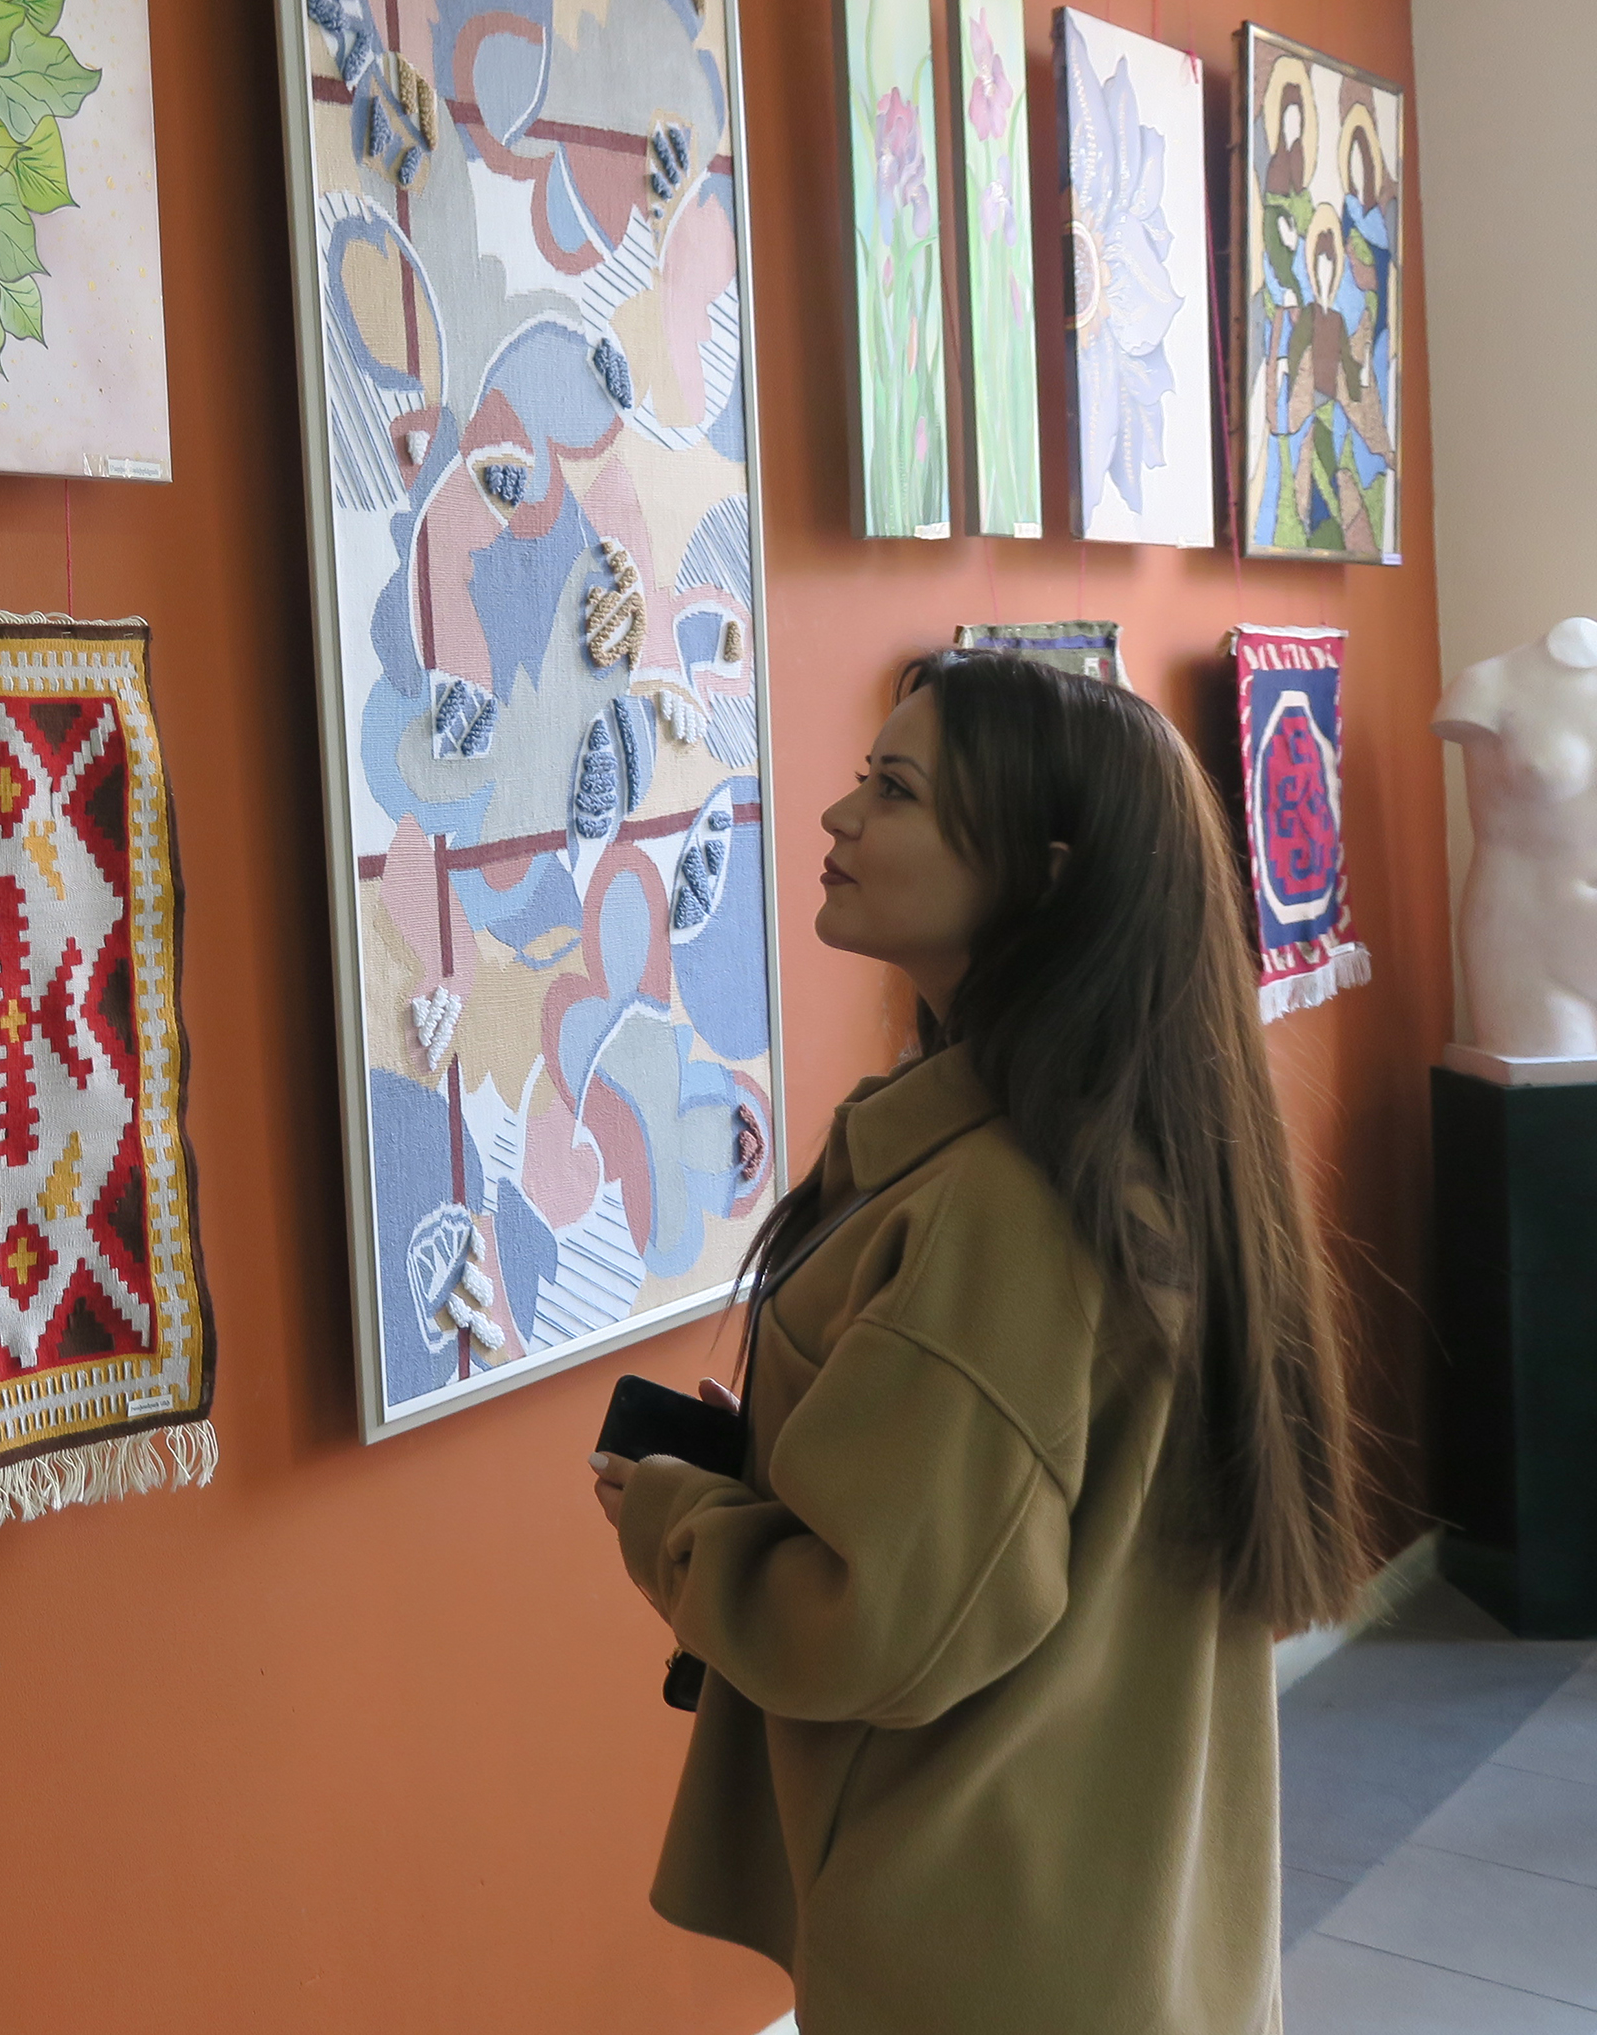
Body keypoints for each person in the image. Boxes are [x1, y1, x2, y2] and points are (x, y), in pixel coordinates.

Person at [589, 652, 1376, 2033]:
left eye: (895, 791)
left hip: (990, 1952)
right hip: (1116, 1920)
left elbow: (884, 1627)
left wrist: (672, 1517)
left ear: (1043, 876)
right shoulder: (1121, 1148)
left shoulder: (1004, 1204)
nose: (839, 816)